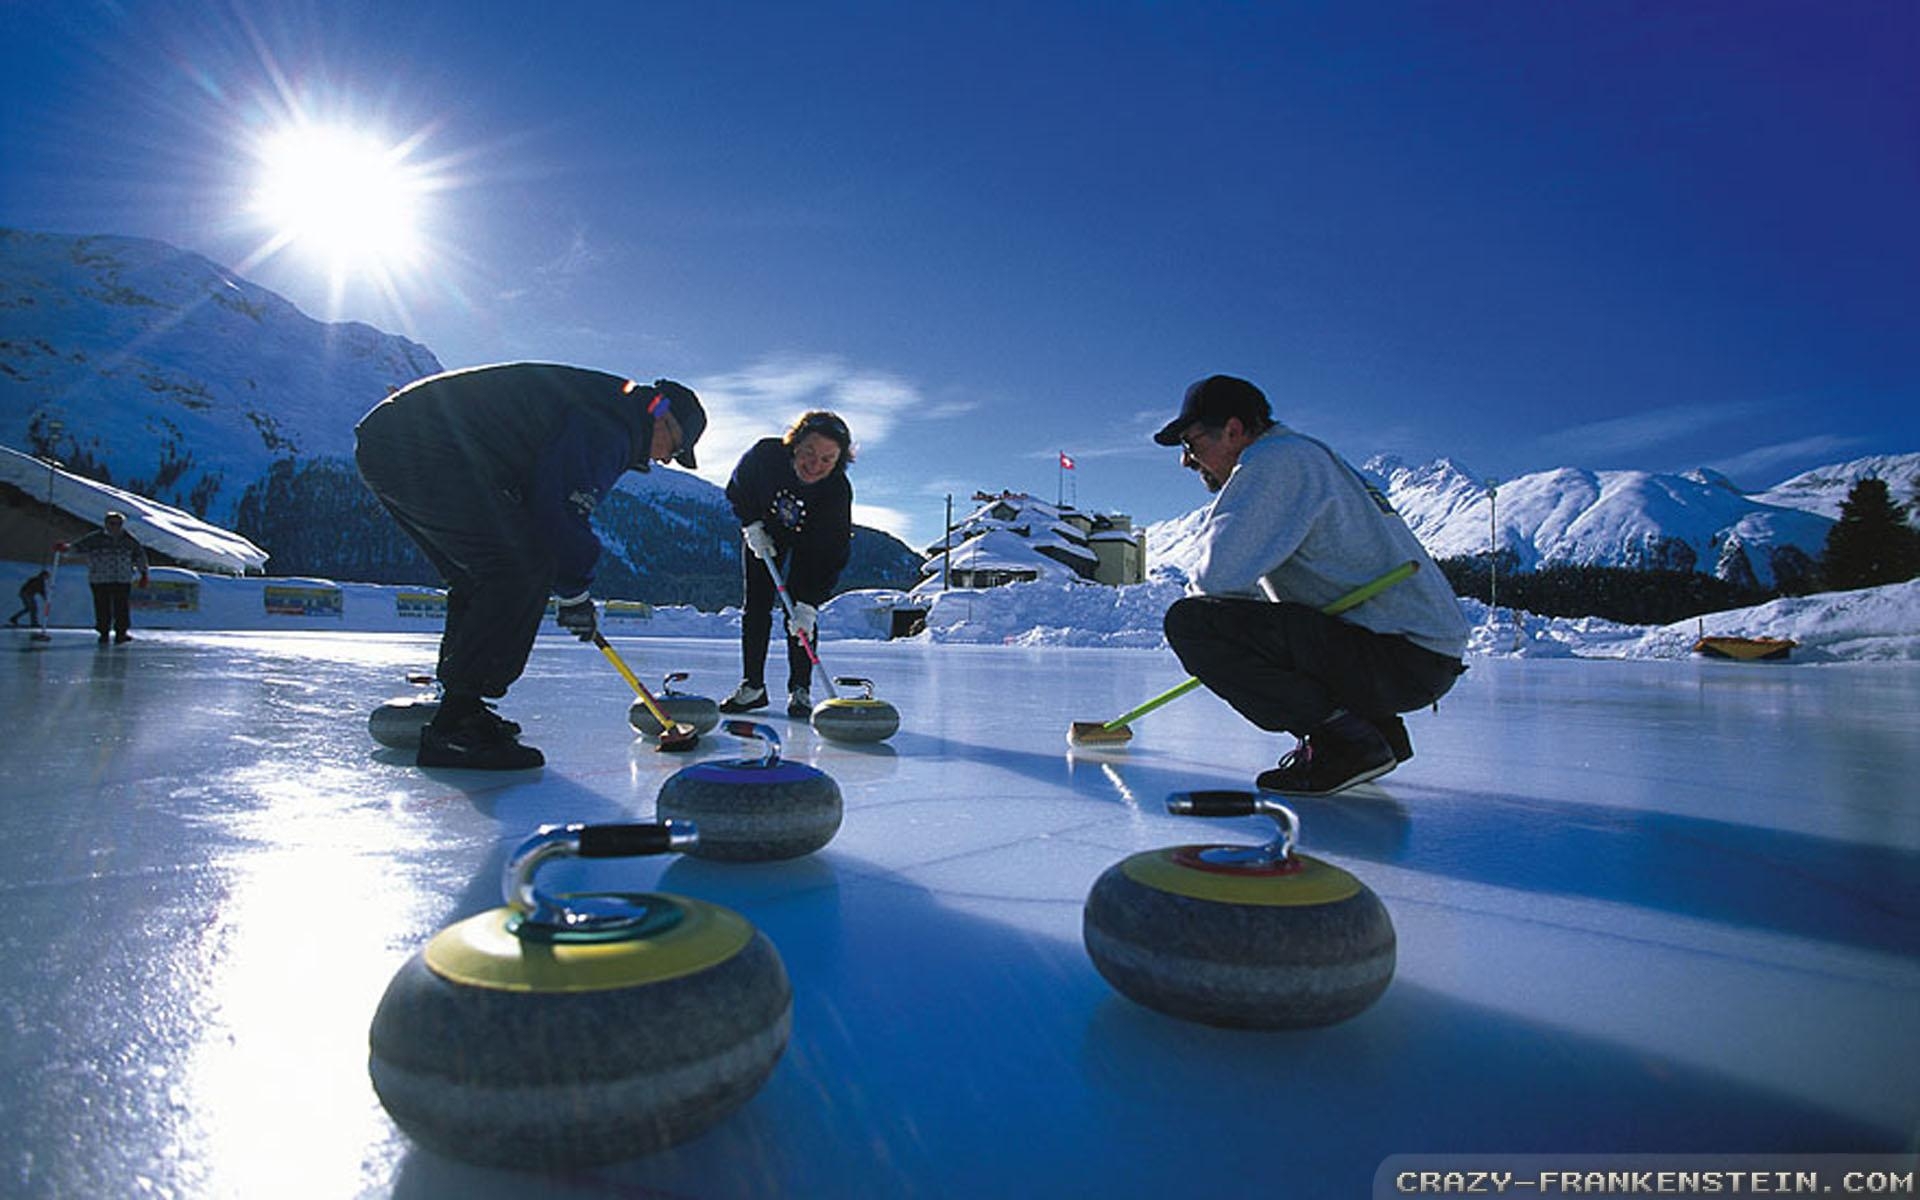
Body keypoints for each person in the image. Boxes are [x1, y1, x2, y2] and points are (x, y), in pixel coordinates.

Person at [355, 363, 707, 770]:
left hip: (397, 443)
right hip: (422, 450)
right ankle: (456, 728)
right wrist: (575, 591)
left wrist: (571, 584)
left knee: (481, 575)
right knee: (518, 569)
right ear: (663, 418)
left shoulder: (610, 405)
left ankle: (461, 708)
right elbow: (559, 510)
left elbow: (538, 497)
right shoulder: (613, 423)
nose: (662, 460)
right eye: (674, 451)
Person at [1155, 375, 1469, 796]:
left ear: (1233, 430)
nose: (1186, 461)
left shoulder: (1273, 462)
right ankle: (1374, 733)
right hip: (1412, 654)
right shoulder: (1302, 455)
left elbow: (1214, 582)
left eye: (1190, 444)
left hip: (1398, 657)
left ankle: (1346, 743)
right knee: (1240, 622)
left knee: (1193, 624)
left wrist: (1234, 640)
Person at [720, 411, 854, 717]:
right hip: (764, 531)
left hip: (811, 544)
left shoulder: (836, 491)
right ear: (794, 444)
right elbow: (738, 488)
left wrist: (809, 603)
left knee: (799, 612)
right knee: (756, 604)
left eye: (827, 459)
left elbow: (832, 551)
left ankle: (801, 690)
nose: (814, 465)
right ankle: (752, 687)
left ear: (838, 462)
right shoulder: (765, 456)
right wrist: (751, 525)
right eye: (809, 452)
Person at [65, 513, 149, 644]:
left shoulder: (129, 540)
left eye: (118, 524)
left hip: (122, 579)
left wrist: (143, 573)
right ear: (105, 524)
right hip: (100, 578)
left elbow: (139, 556)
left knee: (121, 607)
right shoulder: (94, 539)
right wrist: (65, 549)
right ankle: (103, 632)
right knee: (102, 606)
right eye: (112, 523)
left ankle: (121, 632)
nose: (115, 527)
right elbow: (77, 548)